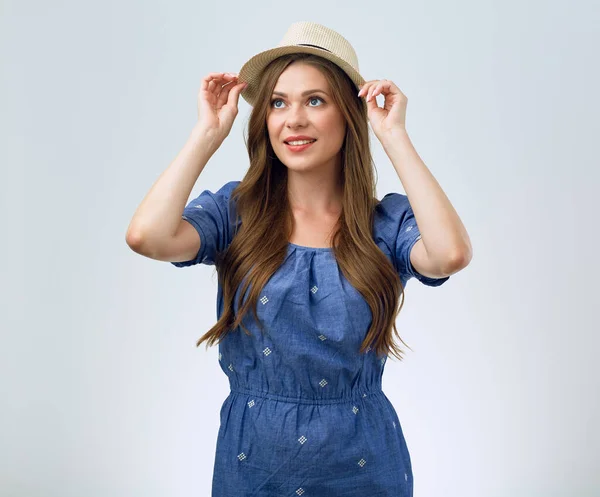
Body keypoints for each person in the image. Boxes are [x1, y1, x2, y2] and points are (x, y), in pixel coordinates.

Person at [126, 21, 472, 497]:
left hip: (364, 466)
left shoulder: (383, 225)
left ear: (349, 115)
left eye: (315, 100)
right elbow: (147, 236)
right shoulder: (237, 214)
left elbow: (450, 254)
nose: (293, 119)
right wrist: (207, 133)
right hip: (252, 467)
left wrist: (392, 137)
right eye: (278, 102)